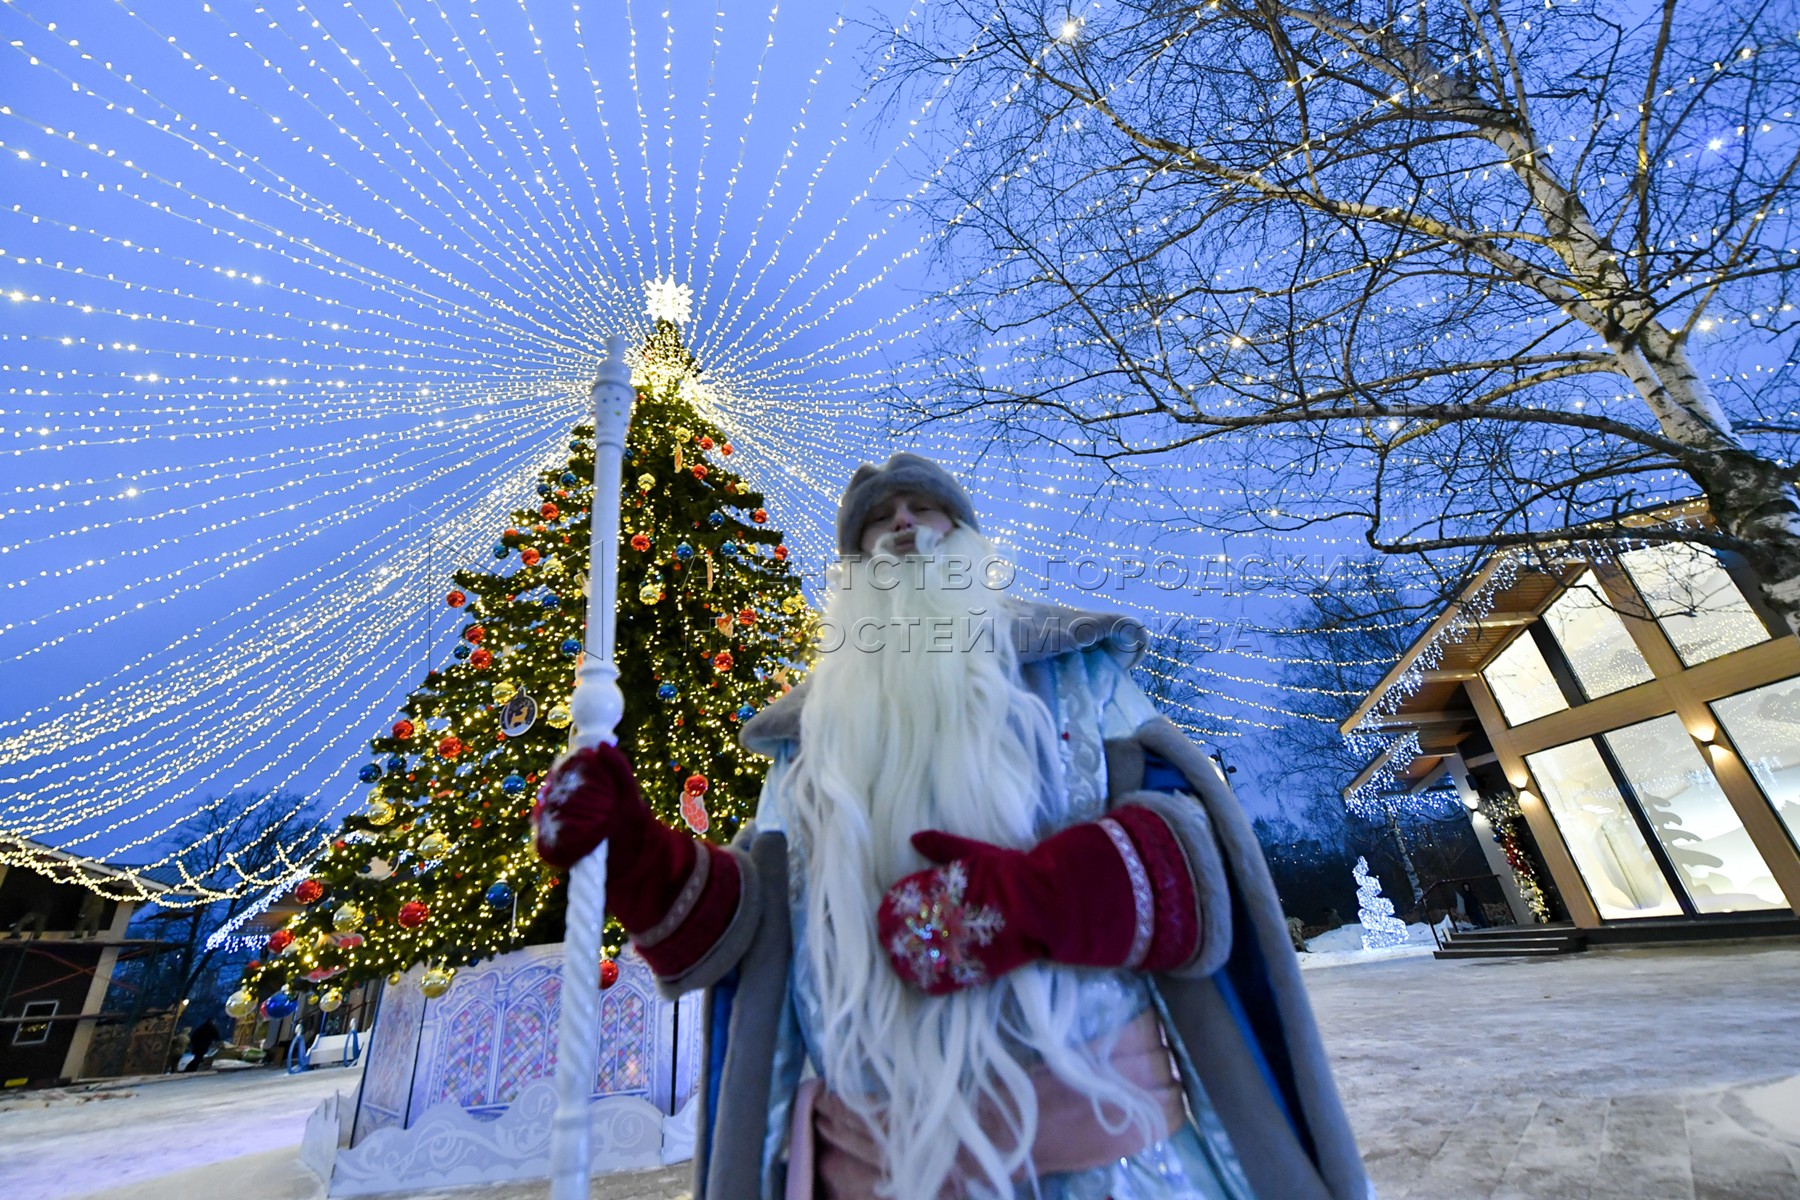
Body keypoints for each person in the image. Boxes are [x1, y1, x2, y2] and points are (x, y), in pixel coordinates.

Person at [534, 453, 1369, 1200]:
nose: (900, 523)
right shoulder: (808, 741)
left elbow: (1196, 858)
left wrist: (1036, 899)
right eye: (874, 523)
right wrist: (638, 857)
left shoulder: (1075, 671)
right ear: (852, 574)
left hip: (1113, 1167)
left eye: (922, 510)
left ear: (968, 540)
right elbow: (759, 930)